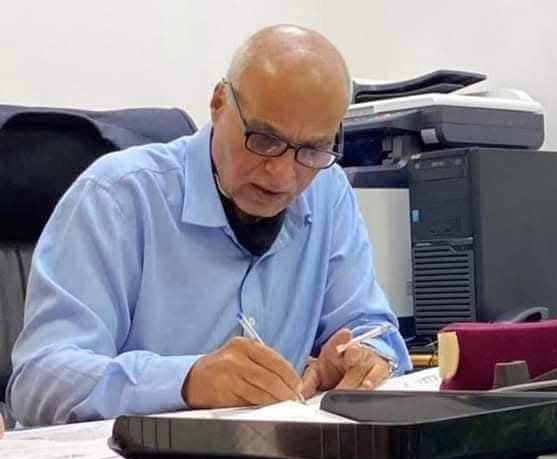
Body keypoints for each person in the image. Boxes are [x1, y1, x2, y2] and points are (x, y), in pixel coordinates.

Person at [7, 25, 411, 426]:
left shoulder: (326, 189)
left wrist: (366, 359)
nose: (283, 175)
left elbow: (371, 327)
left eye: (313, 149)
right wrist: (187, 381)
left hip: (269, 456)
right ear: (219, 103)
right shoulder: (117, 197)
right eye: (264, 140)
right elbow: (40, 378)